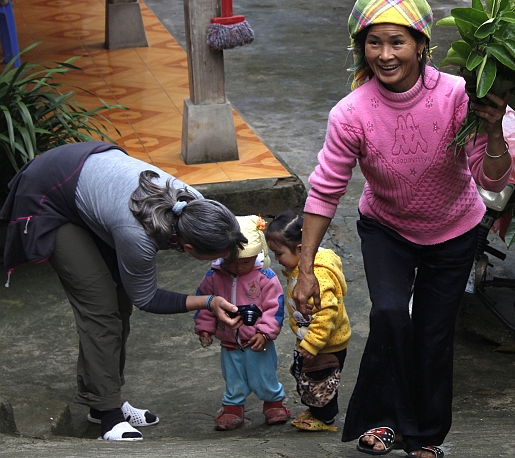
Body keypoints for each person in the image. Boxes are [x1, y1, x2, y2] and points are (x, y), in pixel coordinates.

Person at [292, 0, 512, 458]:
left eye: (397, 42)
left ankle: (426, 436)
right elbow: (326, 187)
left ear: (420, 45)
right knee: (390, 315)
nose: (385, 55)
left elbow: (491, 177)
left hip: (455, 229)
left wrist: (493, 127)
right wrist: (306, 265)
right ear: (361, 47)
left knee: (433, 332)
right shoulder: (351, 112)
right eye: (374, 43)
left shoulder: (457, 96)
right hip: (387, 228)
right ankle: (384, 420)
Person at [0, 141, 247, 442]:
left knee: (120, 301)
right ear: (188, 248)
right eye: (215, 257)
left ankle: (102, 399)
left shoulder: (196, 205)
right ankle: (108, 414)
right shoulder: (137, 235)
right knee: (101, 310)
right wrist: (207, 302)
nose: (221, 262)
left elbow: (132, 294)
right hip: (49, 192)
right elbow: (147, 297)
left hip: (90, 179)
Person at [194, 214, 290, 430]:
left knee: (264, 375)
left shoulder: (265, 278)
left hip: (257, 341)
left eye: (245, 262)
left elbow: (274, 307)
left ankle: (274, 402)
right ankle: (232, 407)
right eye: (232, 262)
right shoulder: (213, 276)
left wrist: (265, 332)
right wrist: (204, 328)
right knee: (233, 376)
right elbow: (206, 302)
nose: (238, 267)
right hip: (228, 341)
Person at [265, 210, 351, 432]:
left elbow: (327, 312)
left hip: (324, 344)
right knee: (306, 375)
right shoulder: (298, 268)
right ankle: (316, 411)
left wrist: (313, 343)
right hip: (312, 340)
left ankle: (326, 419)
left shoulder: (319, 277)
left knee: (320, 381)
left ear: (301, 250)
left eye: (279, 253)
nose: (276, 259)